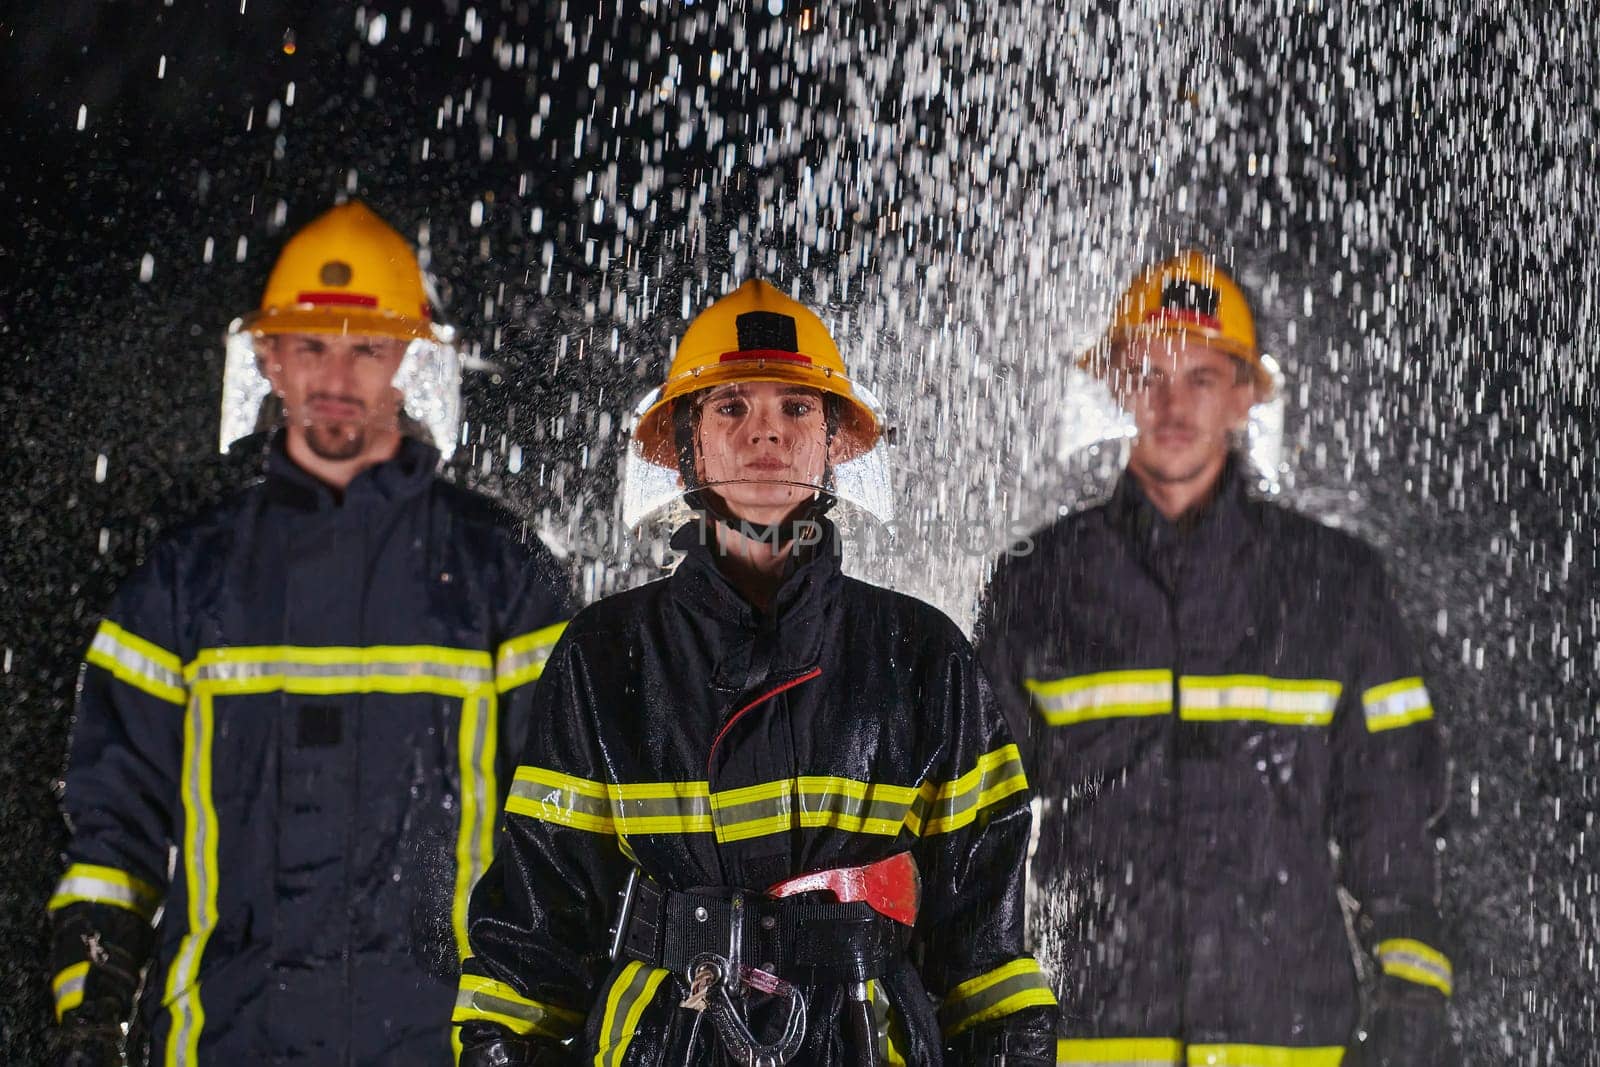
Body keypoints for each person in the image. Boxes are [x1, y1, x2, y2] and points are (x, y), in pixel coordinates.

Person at [452, 279, 1059, 1066]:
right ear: (687, 445)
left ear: (834, 441)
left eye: (796, 408)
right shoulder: (605, 655)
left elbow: (985, 946)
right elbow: (538, 926)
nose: (764, 435)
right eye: (731, 407)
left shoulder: (922, 653)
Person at [48, 201, 571, 1066]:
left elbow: (563, 827)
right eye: (311, 343)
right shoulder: (182, 581)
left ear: (408, 359)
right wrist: (90, 1013)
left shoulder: (505, 575)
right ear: (268, 356)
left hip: (445, 1049)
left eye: (366, 347)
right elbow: (113, 833)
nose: (338, 374)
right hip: (225, 1043)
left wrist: (543, 1027)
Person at [977, 252, 1450, 1066]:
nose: (1172, 403)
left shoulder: (1335, 583)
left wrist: (1413, 984)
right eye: (1151, 373)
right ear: (1121, 385)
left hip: (1288, 1034)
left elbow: (1391, 806)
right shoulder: (1040, 579)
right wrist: (976, 995)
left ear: (1242, 397)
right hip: (1096, 1034)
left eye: (1200, 376)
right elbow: (979, 817)